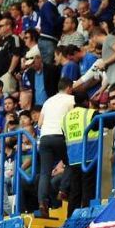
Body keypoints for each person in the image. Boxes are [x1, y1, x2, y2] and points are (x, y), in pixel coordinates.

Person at [37, 78, 74, 217]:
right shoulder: (71, 99)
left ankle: (42, 202)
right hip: (60, 136)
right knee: (71, 162)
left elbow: (39, 123)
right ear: (69, 88)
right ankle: (63, 190)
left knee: (45, 173)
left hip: (45, 138)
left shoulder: (48, 101)